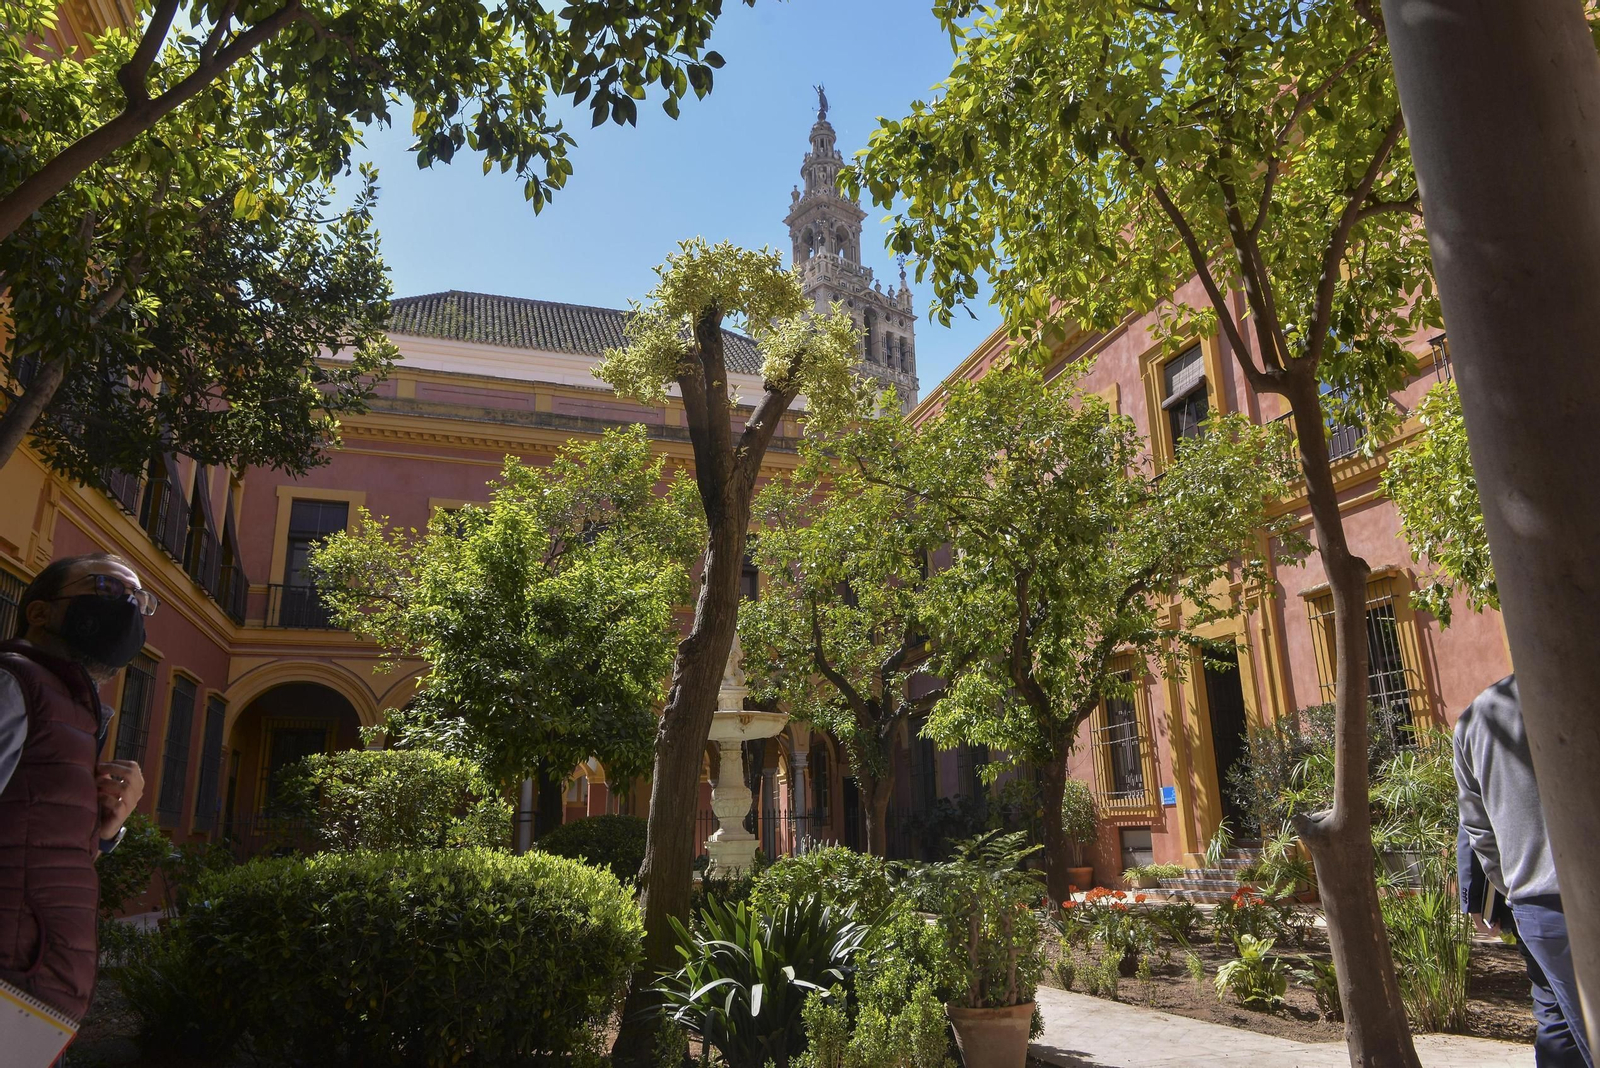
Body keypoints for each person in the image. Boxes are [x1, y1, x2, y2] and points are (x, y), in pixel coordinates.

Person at [0, 553, 154, 1029]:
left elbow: (36, 852)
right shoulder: (12, 684)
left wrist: (102, 833)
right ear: (41, 612)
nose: (126, 606)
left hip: (37, 999)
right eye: (106, 589)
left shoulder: (76, 712)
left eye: (138, 599)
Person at [1456, 674, 1591, 1068]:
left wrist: (1511, 884)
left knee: (1557, 1019)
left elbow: (1475, 827)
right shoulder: (1580, 683)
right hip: (1558, 899)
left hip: (1532, 903)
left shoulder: (1474, 717)